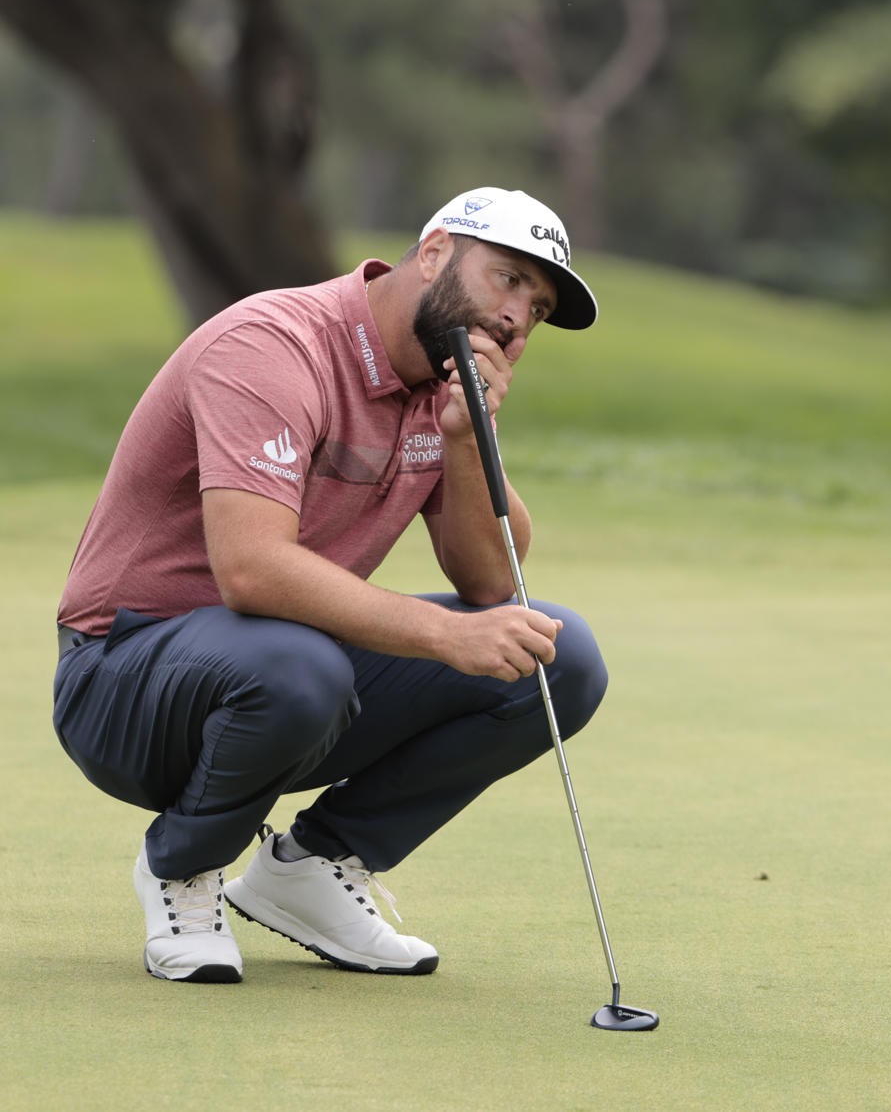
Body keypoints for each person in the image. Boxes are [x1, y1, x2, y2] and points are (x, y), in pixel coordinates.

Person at [52, 187, 608, 984]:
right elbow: (251, 570)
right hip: (123, 678)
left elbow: (493, 581)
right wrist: (446, 636)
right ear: (436, 251)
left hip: (284, 676)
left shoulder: (441, 389)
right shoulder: (274, 343)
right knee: (301, 666)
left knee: (558, 659)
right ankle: (182, 869)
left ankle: (311, 867)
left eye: (541, 306)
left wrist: (463, 438)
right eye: (509, 279)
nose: (521, 316)